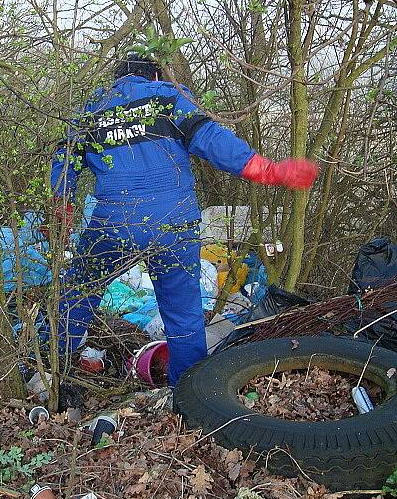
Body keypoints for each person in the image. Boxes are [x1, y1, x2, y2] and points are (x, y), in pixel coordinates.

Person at [51, 53, 318, 386]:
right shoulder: (167, 96)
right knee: (184, 315)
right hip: (173, 225)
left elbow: (65, 165)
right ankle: (187, 394)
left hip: (114, 223)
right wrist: (268, 170)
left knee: (77, 294)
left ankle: (47, 370)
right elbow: (212, 140)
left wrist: (61, 210)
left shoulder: (91, 109)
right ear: (156, 75)